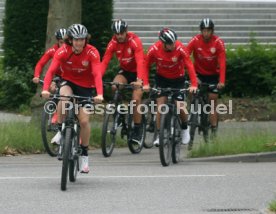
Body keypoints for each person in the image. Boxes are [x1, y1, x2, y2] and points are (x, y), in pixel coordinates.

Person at [41, 24, 103, 173]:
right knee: (64, 98)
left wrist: (99, 93)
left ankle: (85, 156)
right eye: (76, 40)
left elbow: (96, 74)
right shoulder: (63, 51)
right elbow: (51, 71)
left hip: (86, 87)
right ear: (70, 40)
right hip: (68, 82)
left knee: (84, 121)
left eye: (81, 40)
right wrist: (45, 89)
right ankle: (61, 131)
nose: (79, 43)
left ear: (85, 40)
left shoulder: (92, 52)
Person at [144, 28, 198, 146]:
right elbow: (146, 65)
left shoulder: (180, 48)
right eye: (170, 44)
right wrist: (146, 83)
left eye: (174, 42)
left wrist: (194, 84)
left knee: (180, 105)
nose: (173, 45)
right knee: (160, 106)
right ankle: (159, 134)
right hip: (162, 79)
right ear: (163, 43)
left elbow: (189, 65)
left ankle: (184, 128)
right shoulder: (154, 49)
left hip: (178, 79)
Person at [101, 19, 147, 144]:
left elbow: (140, 61)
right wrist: (97, 78)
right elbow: (105, 61)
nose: (119, 36)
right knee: (115, 86)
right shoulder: (113, 43)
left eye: (122, 33)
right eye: (117, 33)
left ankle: (137, 130)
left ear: (126, 31)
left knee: (136, 99)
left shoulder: (134, 41)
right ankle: (120, 113)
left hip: (139, 71)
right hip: (126, 71)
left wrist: (139, 80)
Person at [186, 18, 226, 137]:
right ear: (201, 31)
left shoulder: (218, 42)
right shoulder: (195, 40)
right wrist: (193, 76)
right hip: (198, 74)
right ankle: (192, 111)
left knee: (212, 100)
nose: (206, 33)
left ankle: (213, 129)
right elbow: (185, 56)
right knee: (191, 91)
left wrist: (221, 81)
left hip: (213, 75)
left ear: (212, 31)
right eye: (204, 30)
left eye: (209, 30)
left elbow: (223, 63)